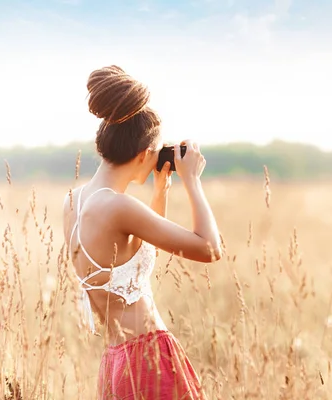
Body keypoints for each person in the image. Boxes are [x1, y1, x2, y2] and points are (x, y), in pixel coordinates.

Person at [62, 65, 222, 399]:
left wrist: (160, 190)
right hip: (149, 357)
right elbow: (209, 248)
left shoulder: (75, 202)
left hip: (116, 363)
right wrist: (192, 180)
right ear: (143, 153)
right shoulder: (118, 207)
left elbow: (135, 248)